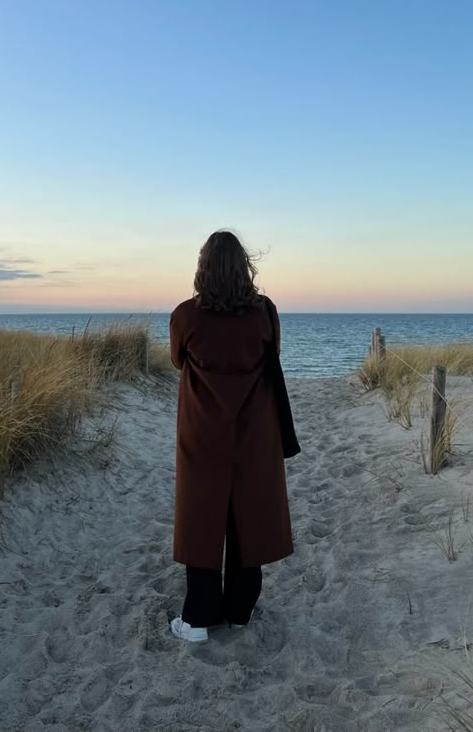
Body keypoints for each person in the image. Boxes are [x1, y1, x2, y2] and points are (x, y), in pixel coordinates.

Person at [168, 229, 299, 643]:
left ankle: (200, 618)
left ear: (203, 268)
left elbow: (177, 359)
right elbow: (273, 354)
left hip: (203, 431)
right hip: (254, 431)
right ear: (245, 267)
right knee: (248, 513)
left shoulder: (186, 315)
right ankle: (240, 609)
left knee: (201, 518)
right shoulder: (264, 313)